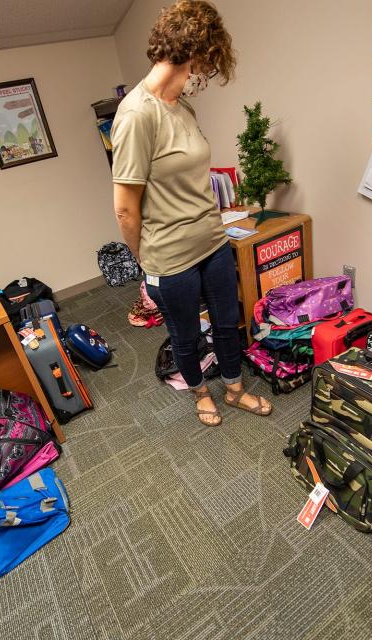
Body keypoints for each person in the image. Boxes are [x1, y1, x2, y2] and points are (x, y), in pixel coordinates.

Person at [110, 0, 272, 427]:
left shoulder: (183, 108)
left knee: (224, 322)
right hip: (168, 257)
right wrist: (147, 263)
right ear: (195, 53)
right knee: (185, 334)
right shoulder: (135, 115)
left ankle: (235, 389)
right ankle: (201, 394)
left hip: (213, 243)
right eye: (206, 62)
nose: (205, 73)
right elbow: (126, 210)